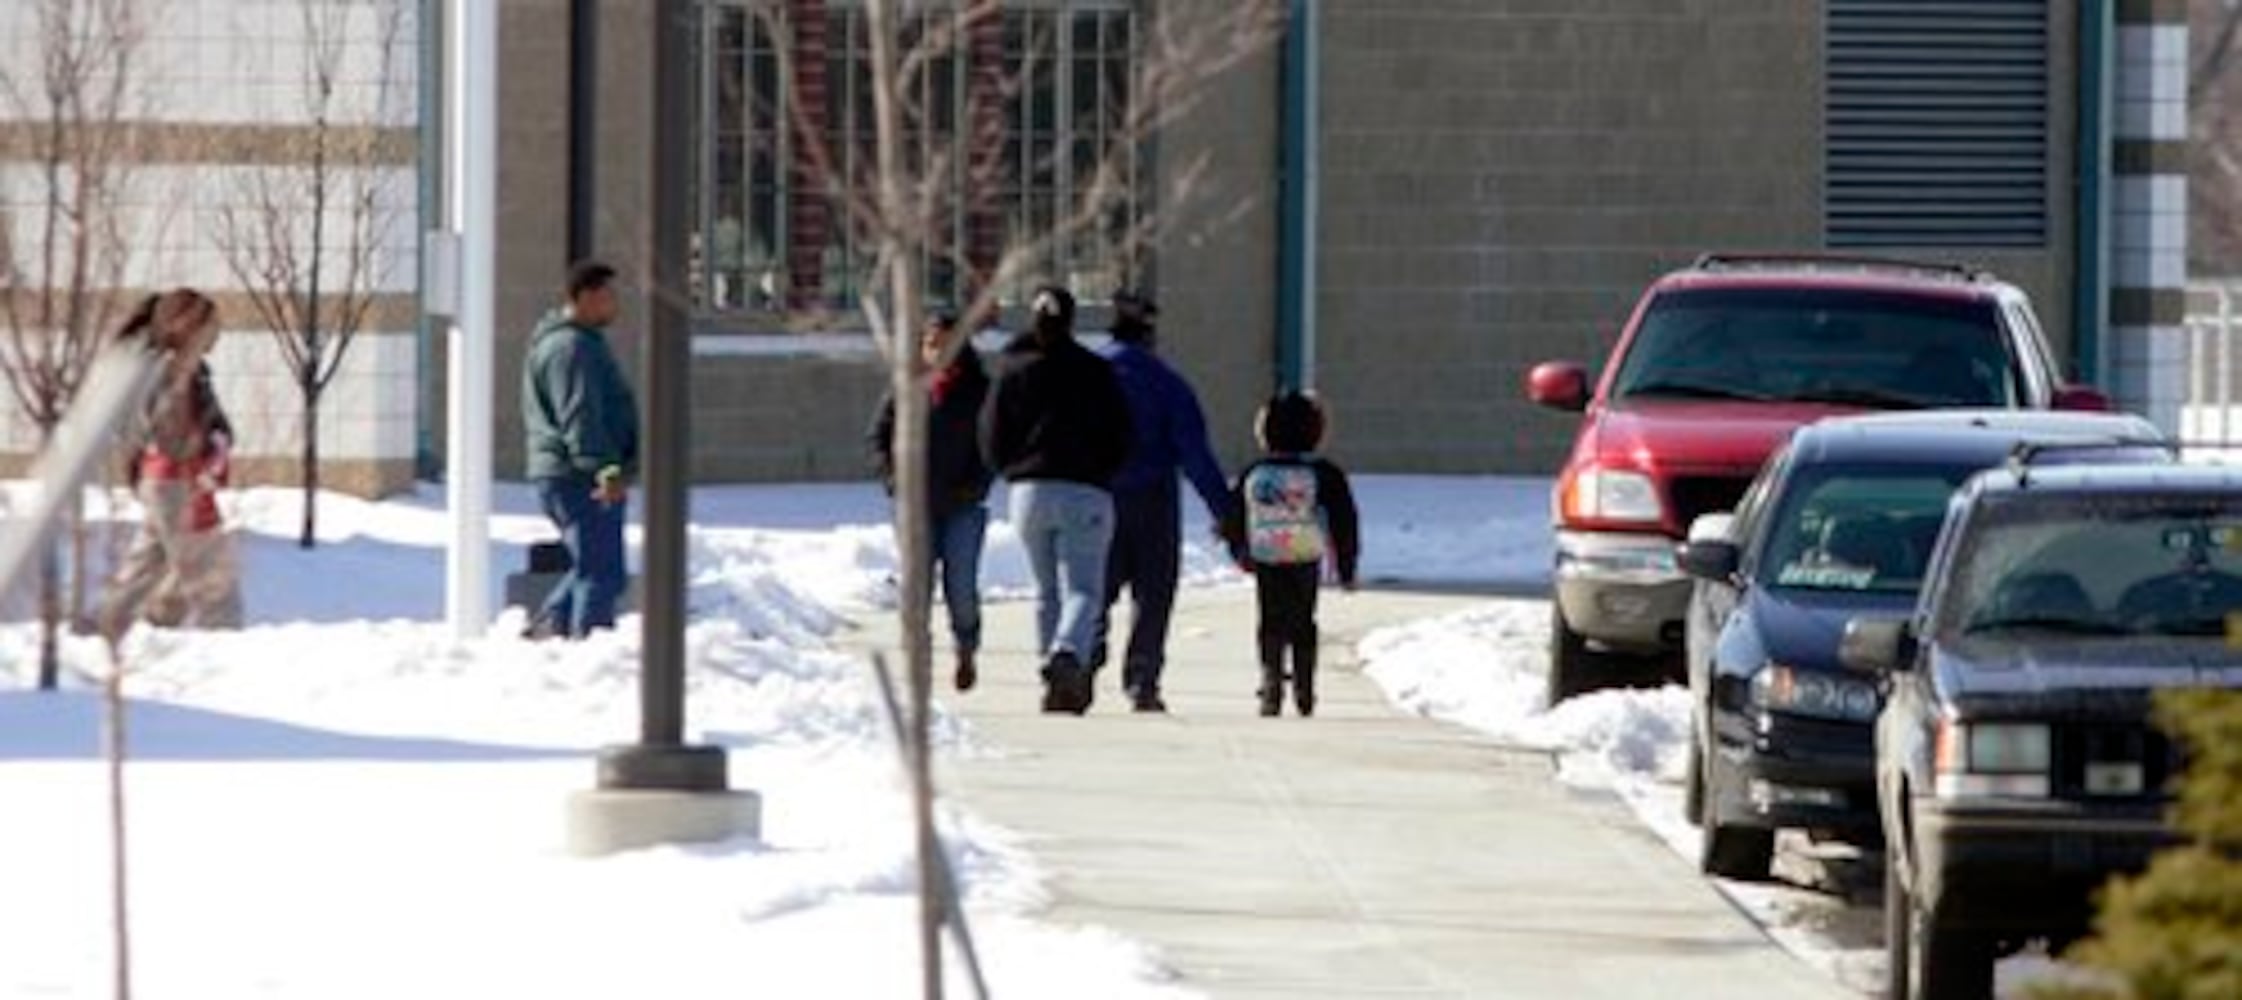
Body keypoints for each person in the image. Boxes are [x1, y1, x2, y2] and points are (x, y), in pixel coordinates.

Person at [980, 285, 1131, 714]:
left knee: (1046, 590)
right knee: (1084, 588)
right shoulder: (1095, 372)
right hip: (1085, 489)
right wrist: (1105, 470)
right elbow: (1122, 433)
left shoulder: (1012, 370)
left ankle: (1052, 675)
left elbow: (990, 434)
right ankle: (1066, 654)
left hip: (1029, 491)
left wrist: (1011, 469)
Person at [1091, 289, 1229, 713]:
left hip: (1098, 495)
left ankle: (1081, 661)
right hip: (1152, 498)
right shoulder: (1167, 383)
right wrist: (1226, 513)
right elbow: (1195, 454)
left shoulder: (1089, 377)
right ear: (1150, 334)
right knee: (1153, 594)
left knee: (1093, 588)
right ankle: (1142, 679)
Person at [98, 289, 242, 635]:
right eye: (211, 324)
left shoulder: (192, 370)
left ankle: (117, 627)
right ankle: (225, 635)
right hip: (175, 478)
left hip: (170, 480)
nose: (217, 332)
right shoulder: (168, 372)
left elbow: (212, 421)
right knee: (211, 574)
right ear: (186, 327)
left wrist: (219, 440)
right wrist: (204, 459)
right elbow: (171, 433)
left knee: (152, 562)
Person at [868, 308, 994, 692]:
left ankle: (966, 648)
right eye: (929, 344)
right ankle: (917, 654)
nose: (935, 351)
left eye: (944, 343)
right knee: (917, 585)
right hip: (915, 505)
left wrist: (975, 485)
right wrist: (892, 479)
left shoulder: (978, 390)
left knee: (961, 586)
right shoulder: (907, 387)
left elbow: (991, 446)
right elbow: (879, 436)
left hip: (962, 505)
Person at [1221, 391, 1359, 718]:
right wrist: (1347, 567)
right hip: (1304, 550)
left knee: (1270, 618)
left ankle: (1271, 683)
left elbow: (1234, 515)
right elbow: (1344, 520)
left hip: (1266, 551)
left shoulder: (1254, 471)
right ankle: (1304, 688)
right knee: (1303, 619)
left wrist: (1238, 548)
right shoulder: (1324, 473)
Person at [521, 260, 639, 639]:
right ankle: (586, 651)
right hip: (579, 476)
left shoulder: (575, 343)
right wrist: (605, 470)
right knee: (600, 574)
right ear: (585, 298)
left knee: (594, 567)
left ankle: (546, 632)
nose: (615, 305)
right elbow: (581, 416)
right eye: (608, 297)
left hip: (571, 472)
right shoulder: (570, 348)